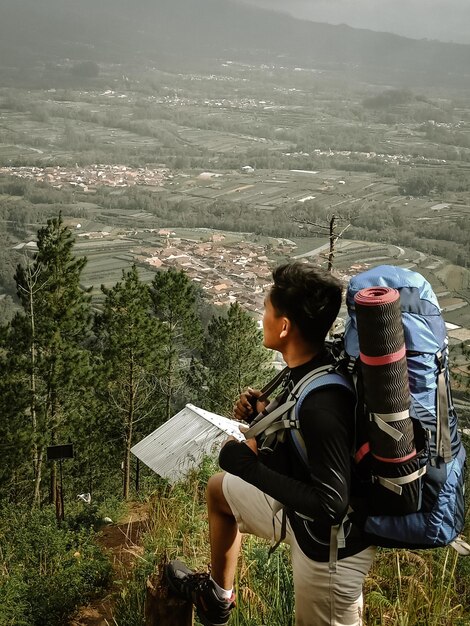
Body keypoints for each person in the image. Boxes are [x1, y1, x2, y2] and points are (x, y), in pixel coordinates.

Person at [166, 261, 375, 626]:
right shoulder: (311, 365)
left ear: (284, 326)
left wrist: (248, 467)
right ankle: (217, 599)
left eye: (265, 309)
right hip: (301, 519)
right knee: (220, 491)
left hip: (329, 552)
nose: (261, 316)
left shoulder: (323, 406)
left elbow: (331, 506)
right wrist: (259, 417)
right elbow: (299, 438)